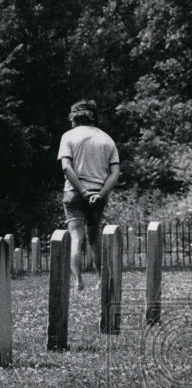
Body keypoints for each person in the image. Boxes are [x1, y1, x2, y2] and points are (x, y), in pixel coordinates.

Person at [57, 99, 120, 291]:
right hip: (97, 196)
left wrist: (83, 192)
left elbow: (66, 168)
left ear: (74, 117)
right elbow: (115, 173)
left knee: (76, 238)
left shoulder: (68, 136)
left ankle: (78, 282)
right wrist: (99, 194)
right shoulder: (107, 139)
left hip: (74, 194)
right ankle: (101, 279)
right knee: (94, 239)